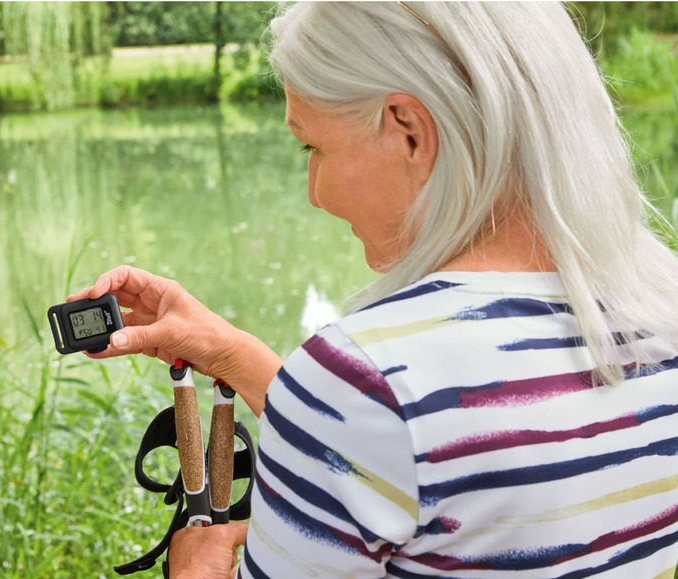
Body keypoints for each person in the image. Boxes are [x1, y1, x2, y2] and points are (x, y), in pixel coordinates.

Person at [69, 3, 678, 577]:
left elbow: (391, 425)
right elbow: (432, 446)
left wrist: (197, 565)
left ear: (408, 130)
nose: (315, 191)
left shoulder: (367, 385)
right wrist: (235, 357)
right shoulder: (655, 315)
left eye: (315, 146)